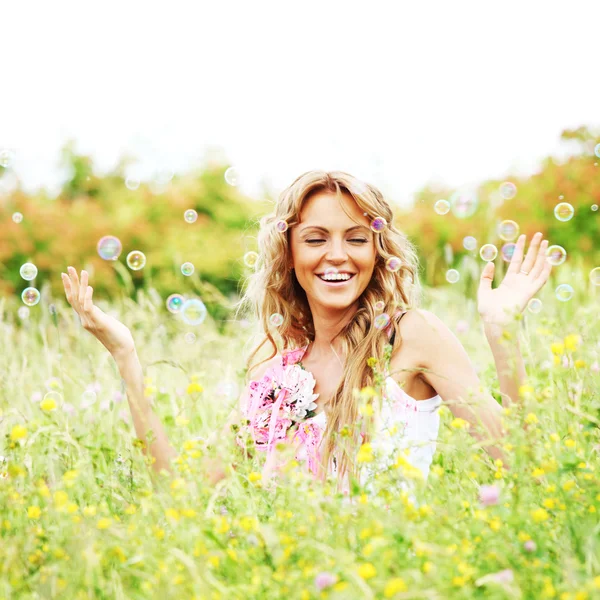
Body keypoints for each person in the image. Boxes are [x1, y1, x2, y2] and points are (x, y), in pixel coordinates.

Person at [61, 170, 553, 494]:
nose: (337, 255)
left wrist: (501, 333)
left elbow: (516, 462)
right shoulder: (273, 369)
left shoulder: (411, 335)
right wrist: (126, 359)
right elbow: (186, 496)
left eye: (356, 239)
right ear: (289, 254)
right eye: (315, 238)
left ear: (377, 253)